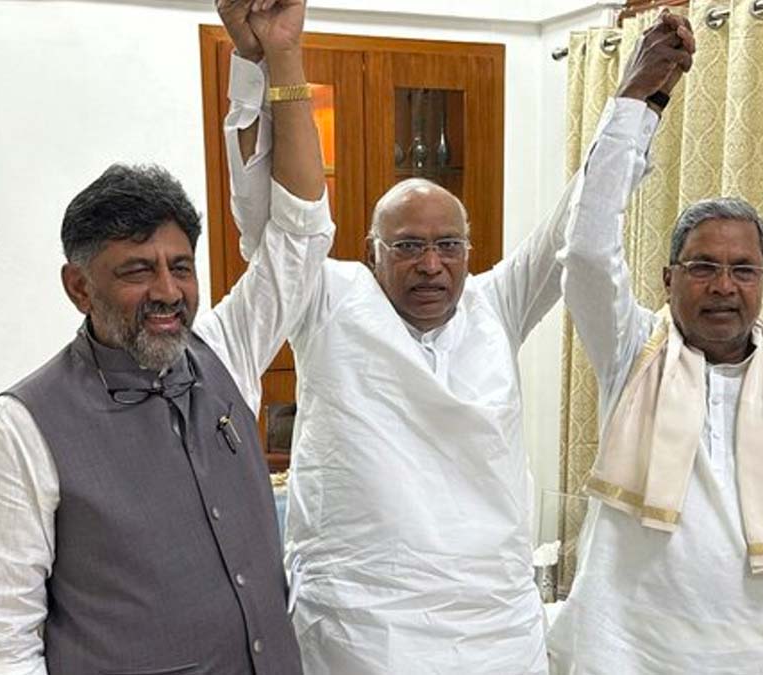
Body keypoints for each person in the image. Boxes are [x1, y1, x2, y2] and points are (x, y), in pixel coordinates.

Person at [216, 5, 694, 674]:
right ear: (372, 251)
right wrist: (259, 60)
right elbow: (265, 215)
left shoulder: (494, 303)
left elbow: (575, 220)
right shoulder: (327, 298)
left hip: (495, 628)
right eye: (407, 246)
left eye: (448, 245)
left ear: (470, 251)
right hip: (363, 632)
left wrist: (638, 98)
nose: (430, 264)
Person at [0, 3, 331, 672]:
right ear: (79, 287)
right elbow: (4, 639)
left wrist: (275, 55)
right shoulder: (21, 428)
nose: (168, 290)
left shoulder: (223, 347)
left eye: (181, 265)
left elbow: (301, 236)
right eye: (137, 270)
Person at [546, 20, 763, 674]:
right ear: (668, 279)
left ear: (762, 281)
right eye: (702, 267)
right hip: (626, 655)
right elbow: (584, 250)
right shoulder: (634, 352)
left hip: (762, 658)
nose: (724, 286)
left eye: (742, 269)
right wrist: (637, 99)